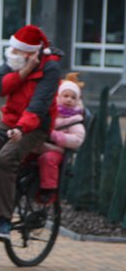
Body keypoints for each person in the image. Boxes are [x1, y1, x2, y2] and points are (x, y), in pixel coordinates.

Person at [0, 24, 62, 240]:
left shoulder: (50, 69)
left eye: (17, 51)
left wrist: (21, 129)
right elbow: (0, 87)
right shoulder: (16, 61)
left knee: (6, 158)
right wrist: (23, 71)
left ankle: (3, 220)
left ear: (32, 53)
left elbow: (38, 105)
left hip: (35, 126)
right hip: (10, 119)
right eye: (12, 50)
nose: (11, 54)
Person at [35, 73, 86, 203]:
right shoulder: (52, 113)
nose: (69, 100)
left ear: (77, 101)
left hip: (59, 151)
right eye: (66, 96)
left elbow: (77, 139)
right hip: (41, 145)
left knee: (48, 159)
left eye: (73, 97)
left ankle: (49, 189)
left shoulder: (75, 120)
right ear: (59, 97)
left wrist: (56, 136)